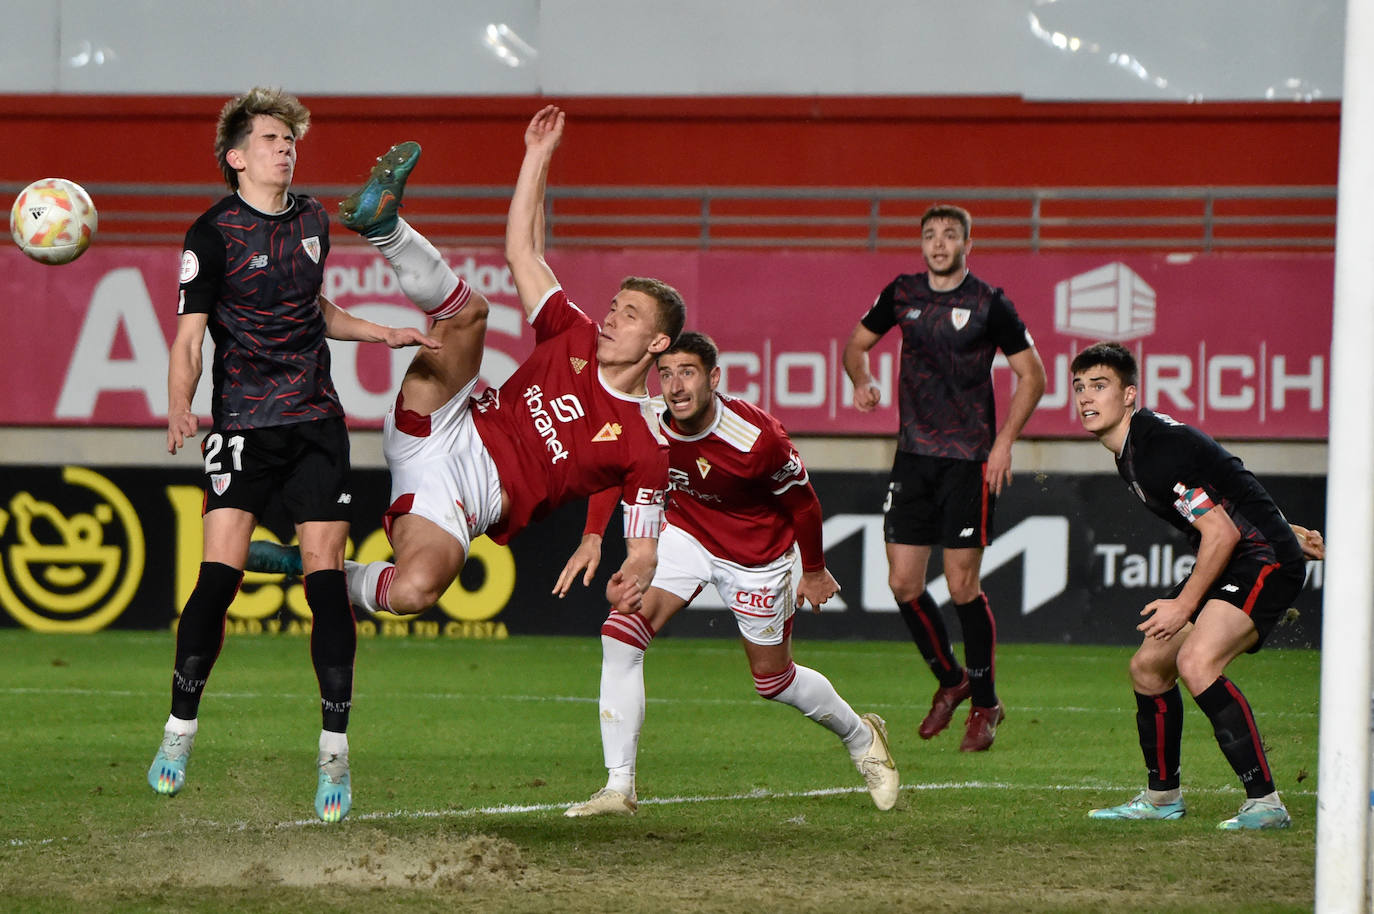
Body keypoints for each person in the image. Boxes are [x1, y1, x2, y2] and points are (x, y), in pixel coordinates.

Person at [249, 106, 682, 627]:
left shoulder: (646, 441)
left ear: (658, 342)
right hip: (447, 420)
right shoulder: (574, 331)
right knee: (469, 312)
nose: (612, 317)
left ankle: (311, 568)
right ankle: (385, 227)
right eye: (614, 305)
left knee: (414, 591)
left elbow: (643, 546)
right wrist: (537, 155)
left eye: (629, 315)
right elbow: (523, 252)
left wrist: (632, 572)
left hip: (463, 500)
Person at [147, 87, 440, 823]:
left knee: (324, 583)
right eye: (273, 139)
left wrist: (383, 333)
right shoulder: (209, 234)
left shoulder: (313, 219)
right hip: (243, 424)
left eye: (291, 139)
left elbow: (316, 310)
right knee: (218, 578)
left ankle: (334, 755)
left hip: (316, 422)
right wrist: (182, 404)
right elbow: (189, 337)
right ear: (237, 157)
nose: (287, 148)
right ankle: (178, 734)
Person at [557, 331, 899, 817]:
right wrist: (593, 535)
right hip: (686, 536)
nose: (675, 386)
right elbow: (614, 472)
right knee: (621, 635)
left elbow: (803, 504)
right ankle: (619, 787)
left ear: (714, 378)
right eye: (666, 373)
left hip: (756, 557)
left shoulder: (756, 438)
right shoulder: (649, 420)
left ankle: (862, 736)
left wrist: (815, 570)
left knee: (773, 681)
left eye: (688, 372)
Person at [1071, 341, 1324, 830]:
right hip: (1249, 548)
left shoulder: (1153, 452)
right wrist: (1287, 527)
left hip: (1259, 558)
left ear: (1129, 395)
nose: (1085, 397)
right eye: (1079, 387)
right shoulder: (1134, 447)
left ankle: (1265, 803)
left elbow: (1222, 531)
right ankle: (1163, 797)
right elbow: (1228, 481)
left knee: (1195, 660)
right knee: (1148, 667)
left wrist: (1184, 606)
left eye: (1099, 386)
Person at [842, 204, 1045, 751]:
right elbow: (856, 345)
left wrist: (1004, 444)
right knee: (904, 584)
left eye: (949, 235)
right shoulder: (902, 293)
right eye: (929, 235)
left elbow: (1033, 374)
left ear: (967, 244)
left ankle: (985, 704)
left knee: (961, 586)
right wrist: (861, 382)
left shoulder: (988, 302)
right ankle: (951, 681)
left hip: (968, 460)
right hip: (914, 457)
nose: (938, 243)